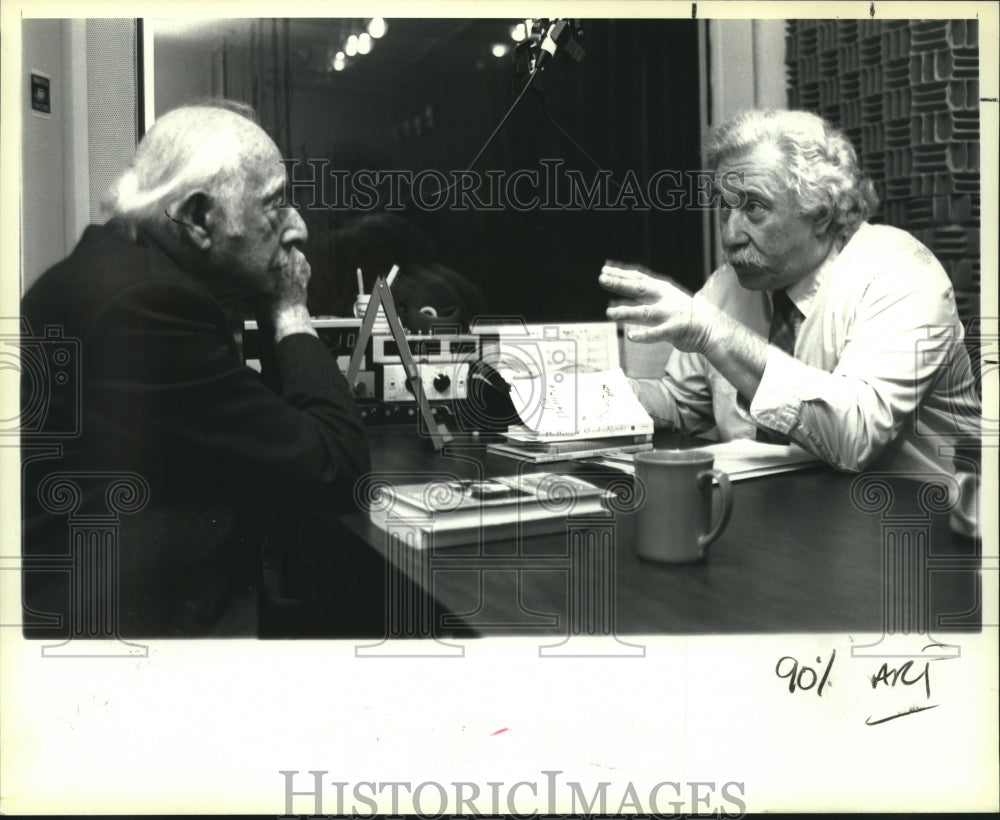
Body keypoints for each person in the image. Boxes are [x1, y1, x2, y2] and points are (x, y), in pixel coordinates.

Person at [20, 102, 373, 638]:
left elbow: (270, 429)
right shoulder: (147, 306)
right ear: (197, 217)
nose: (298, 227)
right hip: (127, 649)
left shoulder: (118, 271)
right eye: (275, 204)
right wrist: (289, 306)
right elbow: (337, 467)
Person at [600, 108, 980, 474]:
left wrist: (715, 333)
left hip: (915, 523)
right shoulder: (727, 285)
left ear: (821, 214)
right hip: (784, 518)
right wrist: (590, 396)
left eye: (754, 208)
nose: (730, 235)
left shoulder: (901, 274)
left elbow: (856, 436)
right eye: (724, 206)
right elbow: (681, 405)